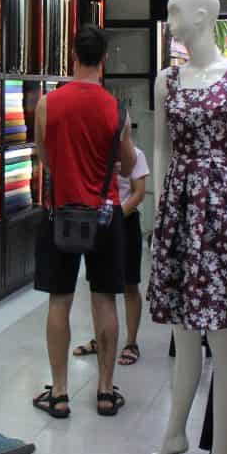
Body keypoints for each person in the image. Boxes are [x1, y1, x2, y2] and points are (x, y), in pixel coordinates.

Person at [32, 24, 135, 419]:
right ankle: (105, 391)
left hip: (60, 212)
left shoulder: (48, 103)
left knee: (60, 301)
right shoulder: (115, 108)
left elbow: (44, 153)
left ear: (73, 56)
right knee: (105, 299)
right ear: (103, 60)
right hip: (105, 216)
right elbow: (126, 164)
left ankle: (58, 393)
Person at [73, 135, 148, 366]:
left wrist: (115, 217)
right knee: (99, 288)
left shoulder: (135, 154)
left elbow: (138, 193)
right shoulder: (95, 154)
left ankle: (131, 342)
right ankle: (101, 339)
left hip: (125, 223)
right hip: (99, 224)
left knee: (129, 284)